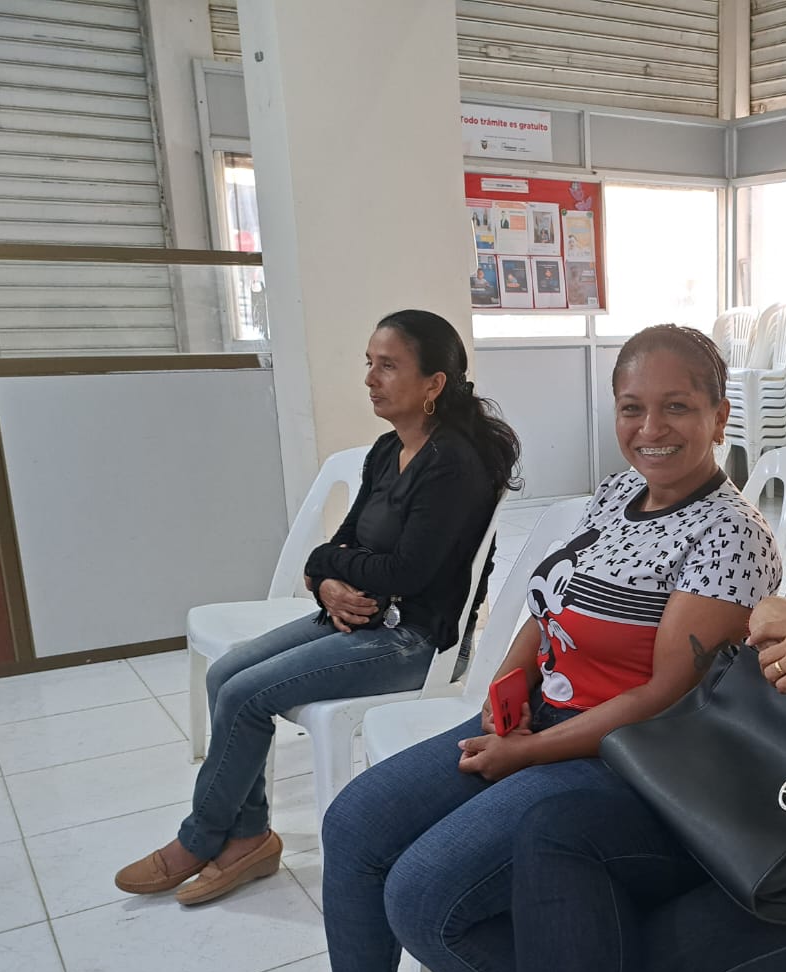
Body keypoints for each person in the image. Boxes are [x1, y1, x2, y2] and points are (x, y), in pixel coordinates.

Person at [266, 324, 781, 972]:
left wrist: (529, 754)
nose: (651, 428)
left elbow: (664, 697)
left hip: (623, 761)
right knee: (356, 824)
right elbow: (550, 608)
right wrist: (506, 690)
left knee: (421, 894)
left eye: (678, 408)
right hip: (539, 723)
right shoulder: (620, 494)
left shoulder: (731, 536)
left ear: (721, 414)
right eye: (632, 408)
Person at [114, 310, 521, 905]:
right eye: (369, 363)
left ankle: (202, 838)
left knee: (244, 695)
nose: (370, 378)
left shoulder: (453, 464)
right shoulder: (387, 450)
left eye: (388, 366)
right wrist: (326, 581)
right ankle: (248, 837)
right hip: (358, 618)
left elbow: (406, 572)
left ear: (433, 383)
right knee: (226, 673)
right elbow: (347, 542)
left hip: (413, 641)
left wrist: (326, 565)